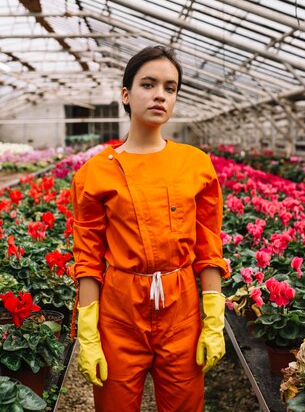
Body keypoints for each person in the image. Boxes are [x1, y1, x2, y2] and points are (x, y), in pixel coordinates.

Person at [70, 45, 229, 412]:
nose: (160, 94)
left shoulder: (195, 164)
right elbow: (89, 258)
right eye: (148, 84)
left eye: (170, 88)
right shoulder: (96, 173)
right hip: (120, 309)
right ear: (125, 94)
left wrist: (213, 320)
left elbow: (209, 247)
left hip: (182, 307)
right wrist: (89, 333)